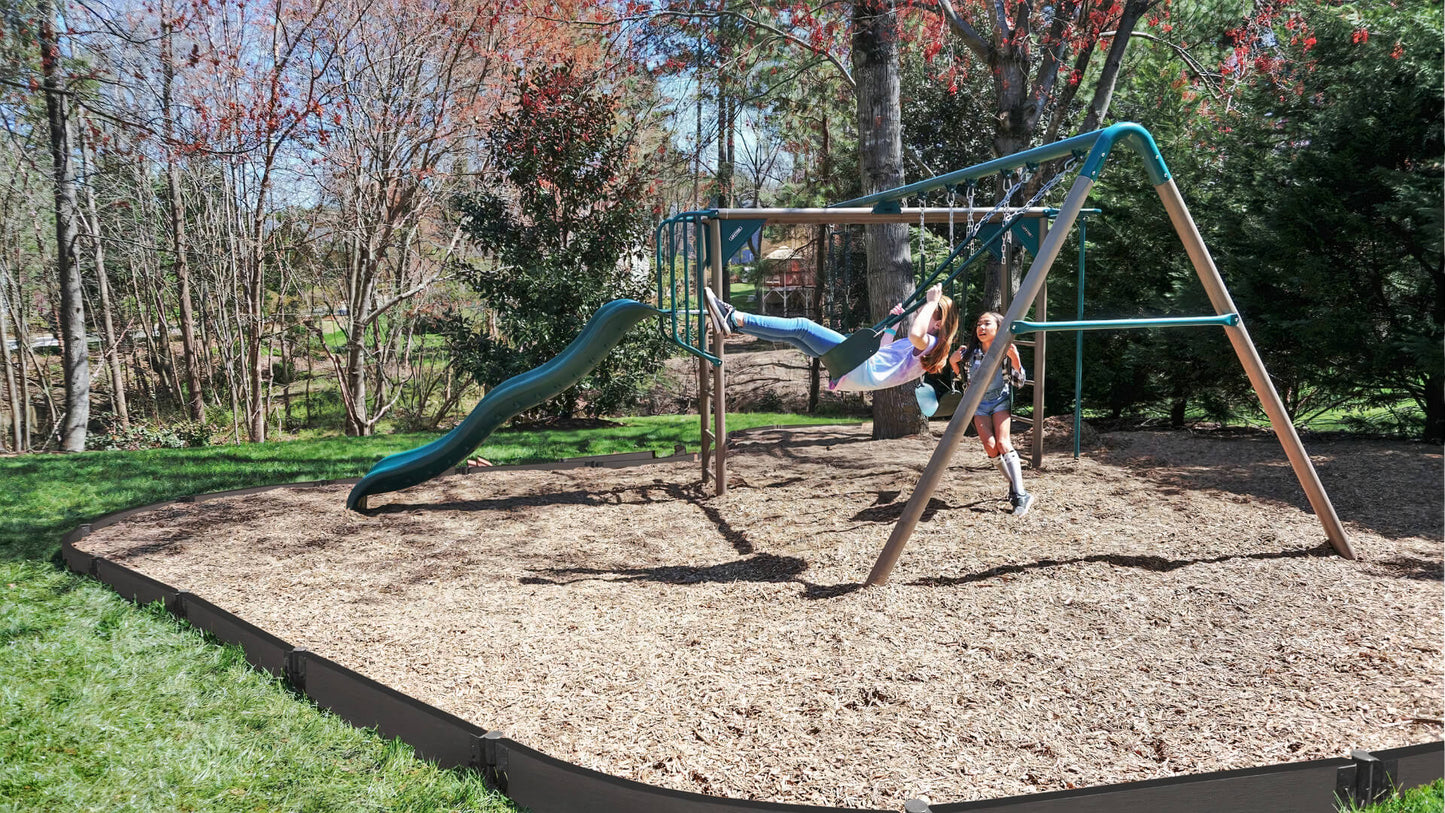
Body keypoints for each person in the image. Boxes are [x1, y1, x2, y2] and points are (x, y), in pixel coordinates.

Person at [702, 284, 958, 393]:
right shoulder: (922, 348)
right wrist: (893, 325)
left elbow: (916, 333)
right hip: (858, 372)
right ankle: (733, 326)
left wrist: (932, 302)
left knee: (802, 326)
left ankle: (735, 317)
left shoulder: (932, 344)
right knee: (797, 336)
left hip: (858, 365)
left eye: (929, 312)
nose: (923, 312)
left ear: (938, 323)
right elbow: (882, 353)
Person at [949, 311, 1034, 516]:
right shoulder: (970, 353)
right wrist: (953, 363)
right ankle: (1015, 485)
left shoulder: (1005, 351)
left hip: (999, 400)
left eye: (987, 324)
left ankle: (1020, 494)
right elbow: (965, 382)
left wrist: (1015, 360)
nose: (981, 328)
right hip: (978, 404)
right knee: (990, 446)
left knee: (1004, 443)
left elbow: (1018, 383)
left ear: (998, 328)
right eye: (979, 324)